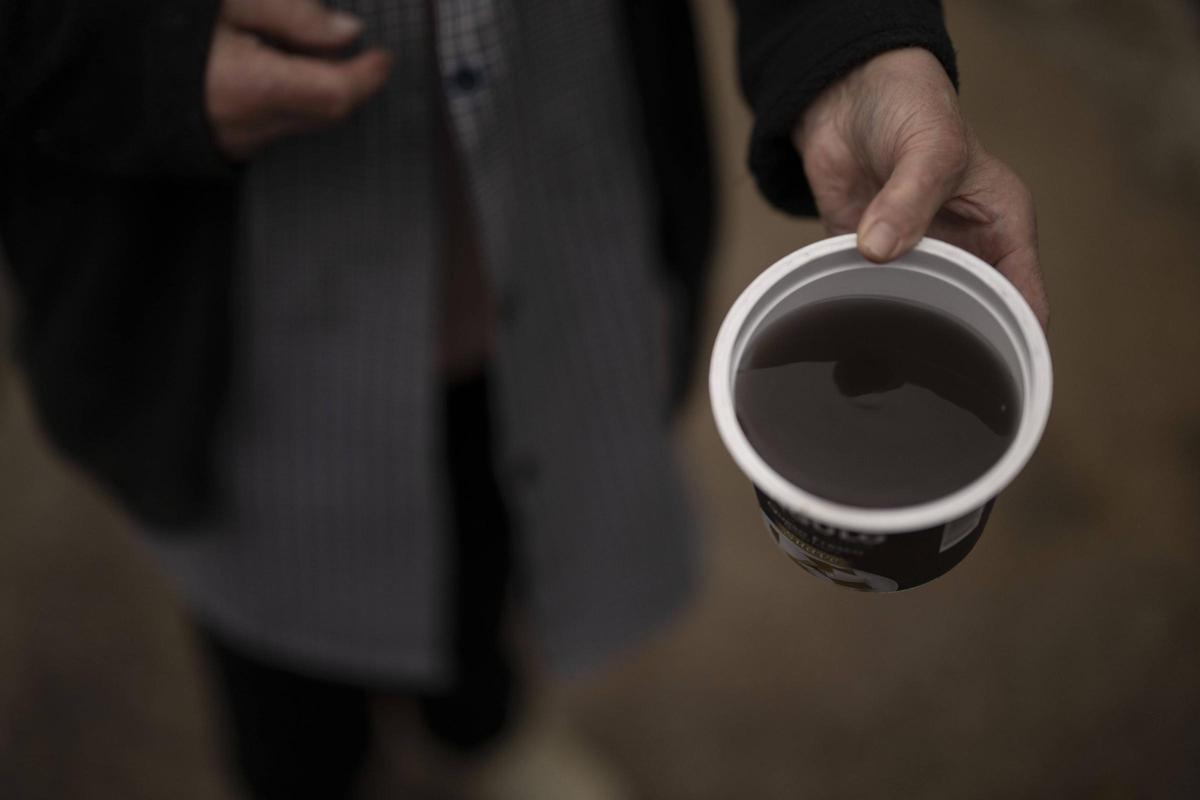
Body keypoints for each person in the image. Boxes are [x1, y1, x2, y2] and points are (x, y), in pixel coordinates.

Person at [0, 0, 1048, 797]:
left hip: (555, 223)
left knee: (502, 542)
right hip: (222, 314)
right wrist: (128, 51)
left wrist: (848, 31)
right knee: (279, 671)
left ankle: (482, 737)